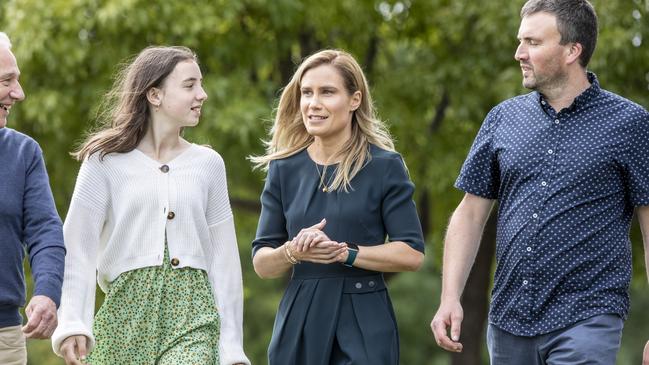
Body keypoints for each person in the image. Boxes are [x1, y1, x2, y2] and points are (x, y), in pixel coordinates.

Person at [430, 0, 649, 364]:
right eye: (520, 41)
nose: (519, 53)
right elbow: (469, 214)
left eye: (532, 42)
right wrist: (449, 296)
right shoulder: (502, 118)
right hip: (508, 321)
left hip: (587, 316)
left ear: (571, 50)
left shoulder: (630, 124)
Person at [51, 46, 250, 365]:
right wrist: (72, 322)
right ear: (154, 95)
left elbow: (224, 261)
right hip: (123, 318)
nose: (202, 94)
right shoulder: (104, 162)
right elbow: (78, 247)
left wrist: (231, 349)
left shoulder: (208, 164)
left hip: (193, 317)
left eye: (201, 84)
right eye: (190, 85)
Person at [250, 49, 425, 365]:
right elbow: (262, 264)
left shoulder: (385, 166)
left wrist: (347, 253)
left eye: (327, 92)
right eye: (306, 93)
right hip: (299, 317)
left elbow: (411, 254)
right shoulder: (283, 169)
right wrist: (292, 251)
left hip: (364, 317)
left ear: (354, 99)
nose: (313, 103)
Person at [0, 32, 66, 365]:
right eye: (6, 81)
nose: (18, 93)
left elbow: (44, 231)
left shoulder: (23, 153)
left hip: (4, 339)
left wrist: (47, 292)